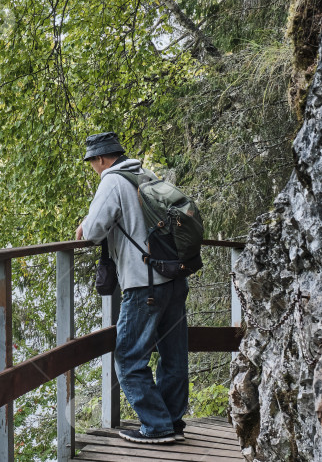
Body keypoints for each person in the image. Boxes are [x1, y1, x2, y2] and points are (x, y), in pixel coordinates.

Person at [75, 131, 189, 444]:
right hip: (174, 279)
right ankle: (172, 422)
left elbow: (93, 232)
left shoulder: (112, 181)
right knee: (173, 357)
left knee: (128, 358)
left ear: (100, 159)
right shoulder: (145, 174)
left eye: (92, 163)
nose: (94, 168)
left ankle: (156, 425)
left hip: (145, 285)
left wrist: (84, 225)